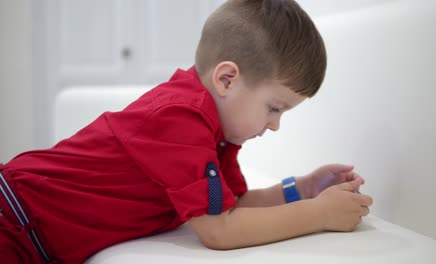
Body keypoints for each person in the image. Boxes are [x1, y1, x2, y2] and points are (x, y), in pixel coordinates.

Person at [0, 0, 373, 263]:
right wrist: (319, 214)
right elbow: (219, 231)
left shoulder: (217, 133)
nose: (275, 124)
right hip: (13, 217)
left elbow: (232, 207)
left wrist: (300, 190)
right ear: (227, 79)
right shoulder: (179, 119)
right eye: (274, 108)